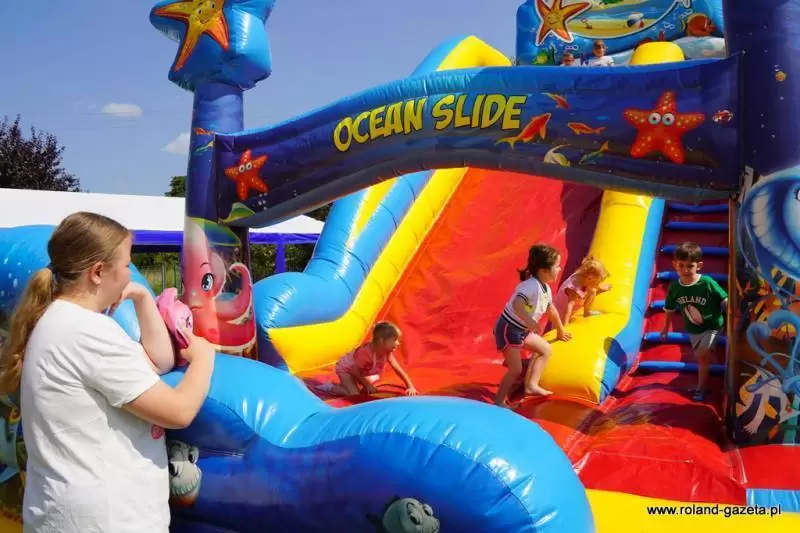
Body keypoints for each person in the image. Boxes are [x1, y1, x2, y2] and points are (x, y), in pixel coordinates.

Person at [0, 212, 217, 533]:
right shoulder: (87, 333)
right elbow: (178, 412)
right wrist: (204, 360)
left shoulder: (60, 320)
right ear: (98, 272)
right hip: (107, 520)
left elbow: (155, 362)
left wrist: (141, 297)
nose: (130, 273)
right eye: (127, 264)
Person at [493, 244, 572, 408]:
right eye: (557, 266)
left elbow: (551, 310)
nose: (559, 269)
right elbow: (517, 304)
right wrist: (531, 322)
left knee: (545, 349)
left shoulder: (545, 288)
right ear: (544, 271)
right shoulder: (531, 286)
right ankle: (499, 401)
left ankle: (531, 385)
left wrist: (560, 330)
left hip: (522, 330)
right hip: (509, 328)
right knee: (515, 370)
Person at [659, 241, 728, 402]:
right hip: (694, 330)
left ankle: (700, 388)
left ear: (699, 266)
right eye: (681, 265)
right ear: (675, 265)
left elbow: (724, 298)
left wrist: (731, 310)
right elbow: (669, 308)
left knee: (702, 354)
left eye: (690, 266)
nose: (685, 270)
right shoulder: (675, 287)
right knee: (702, 359)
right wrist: (665, 327)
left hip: (713, 326)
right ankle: (703, 385)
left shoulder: (707, 282)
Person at [317, 321, 418, 397]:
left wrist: (410, 386)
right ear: (382, 340)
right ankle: (331, 387)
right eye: (395, 340)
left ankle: (350, 383)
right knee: (355, 395)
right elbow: (354, 370)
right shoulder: (365, 353)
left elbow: (397, 368)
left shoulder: (387, 352)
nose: (398, 343)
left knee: (364, 385)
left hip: (360, 370)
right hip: (346, 369)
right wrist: (367, 384)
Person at [552, 255, 613, 325]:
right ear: (590, 278)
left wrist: (601, 288)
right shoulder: (575, 287)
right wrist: (566, 325)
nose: (597, 285)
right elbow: (569, 306)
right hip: (561, 312)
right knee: (559, 324)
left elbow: (594, 285)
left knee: (593, 291)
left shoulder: (585, 276)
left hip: (572, 305)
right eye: (597, 283)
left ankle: (587, 312)